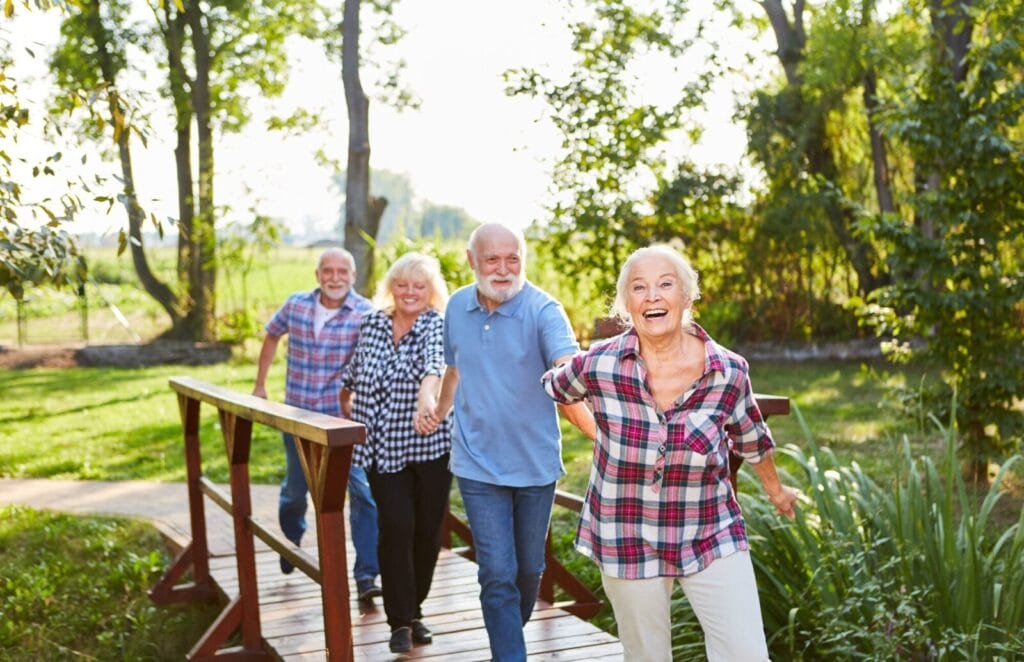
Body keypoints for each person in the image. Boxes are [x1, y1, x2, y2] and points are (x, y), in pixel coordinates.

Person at [541, 244, 800, 662]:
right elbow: (557, 387)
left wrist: (776, 491)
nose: (653, 296)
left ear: (687, 296)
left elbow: (752, 437)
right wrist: (596, 433)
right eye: (639, 288)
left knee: (746, 654)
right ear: (628, 305)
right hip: (626, 531)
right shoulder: (600, 363)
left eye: (665, 284)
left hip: (709, 528)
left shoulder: (727, 371)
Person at [419, 223, 593, 662]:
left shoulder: (543, 310)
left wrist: (602, 431)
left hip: (534, 465)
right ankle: (510, 656)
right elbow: (455, 369)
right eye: (492, 259)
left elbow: (567, 366)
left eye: (511, 258)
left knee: (528, 572)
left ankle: (506, 642)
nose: (502, 269)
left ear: (523, 259)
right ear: (471, 259)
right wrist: (440, 411)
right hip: (476, 462)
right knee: (496, 573)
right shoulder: (457, 307)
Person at [339, 252, 454, 655]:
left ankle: (416, 609)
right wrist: (347, 413)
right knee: (397, 527)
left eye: (418, 286)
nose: (409, 292)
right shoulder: (371, 322)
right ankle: (399, 622)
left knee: (426, 532)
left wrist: (428, 401)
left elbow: (434, 368)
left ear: (430, 291)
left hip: (429, 447)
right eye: (402, 284)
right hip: (380, 449)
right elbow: (351, 376)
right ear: (392, 286)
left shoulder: (436, 324)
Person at [253, 247, 382, 601]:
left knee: (363, 494)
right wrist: (260, 384)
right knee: (296, 490)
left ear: (353, 277)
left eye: (343, 271)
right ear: (317, 274)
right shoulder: (296, 304)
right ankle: (291, 539)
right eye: (328, 270)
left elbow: (375, 360)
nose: (335, 277)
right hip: (296, 417)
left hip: (342, 421)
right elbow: (271, 334)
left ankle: (367, 574)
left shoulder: (365, 312)